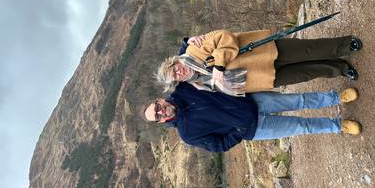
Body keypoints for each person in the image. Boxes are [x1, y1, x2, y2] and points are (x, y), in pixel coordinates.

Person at [142, 82, 362, 152]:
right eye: (157, 116)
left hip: (252, 101)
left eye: (157, 106)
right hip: (256, 128)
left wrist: (188, 43)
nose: (161, 111)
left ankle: (336, 98)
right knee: (301, 126)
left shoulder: (182, 89)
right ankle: (338, 125)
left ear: (159, 100)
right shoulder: (187, 134)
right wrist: (238, 131)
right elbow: (218, 145)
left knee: (299, 100)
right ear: (161, 121)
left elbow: (193, 64)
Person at [156, 29, 363, 96]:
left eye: (174, 69)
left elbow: (224, 37)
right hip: (261, 79)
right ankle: (341, 68)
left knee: (308, 49)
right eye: (175, 76)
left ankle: (345, 45)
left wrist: (219, 67)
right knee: (306, 73)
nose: (179, 72)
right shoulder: (198, 85)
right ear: (177, 82)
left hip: (263, 53)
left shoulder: (194, 49)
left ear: (175, 62)